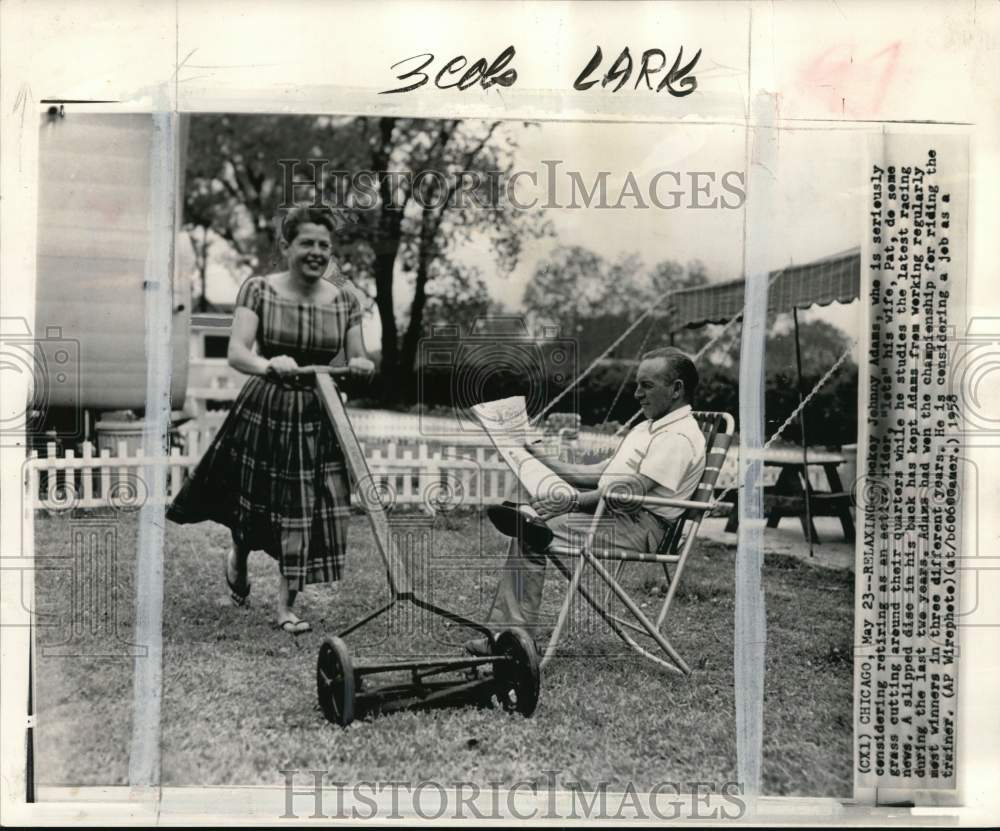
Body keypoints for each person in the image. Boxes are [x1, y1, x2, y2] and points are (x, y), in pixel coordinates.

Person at [167, 206, 374, 635]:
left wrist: (361, 366)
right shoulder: (259, 290)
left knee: (304, 506)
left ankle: (285, 607)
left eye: (324, 245)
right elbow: (238, 352)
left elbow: (357, 355)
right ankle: (238, 555)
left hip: (320, 410)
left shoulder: (346, 301)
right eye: (307, 243)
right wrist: (268, 364)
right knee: (253, 501)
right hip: (268, 406)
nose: (317, 252)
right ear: (286, 246)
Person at [466, 347, 706, 654]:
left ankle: (507, 639)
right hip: (615, 514)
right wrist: (531, 451)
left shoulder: (678, 437)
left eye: (646, 386)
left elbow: (629, 492)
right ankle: (508, 634)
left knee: (531, 530)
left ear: (676, 389)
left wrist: (572, 502)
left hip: (640, 526)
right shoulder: (648, 428)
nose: (636, 394)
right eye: (637, 384)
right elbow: (595, 475)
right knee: (531, 527)